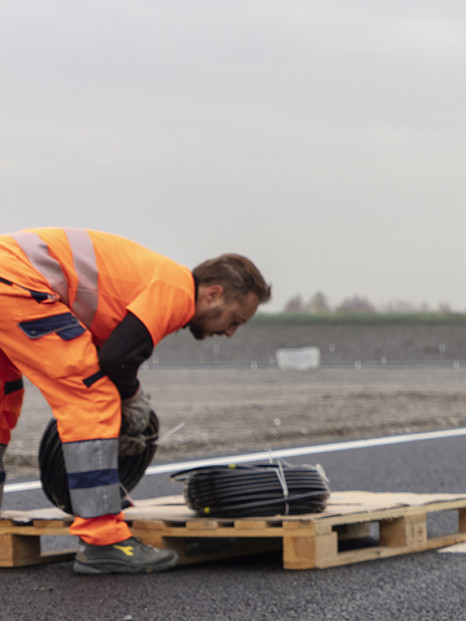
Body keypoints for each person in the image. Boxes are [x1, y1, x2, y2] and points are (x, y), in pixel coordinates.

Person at [0, 228, 271, 575]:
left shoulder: (146, 279)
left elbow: (106, 349)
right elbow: (118, 359)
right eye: (234, 320)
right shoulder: (175, 290)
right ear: (214, 294)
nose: (231, 332)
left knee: (4, 396)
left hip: (11, 277)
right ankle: (104, 541)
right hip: (19, 284)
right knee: (92, 397)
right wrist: (131, 400)